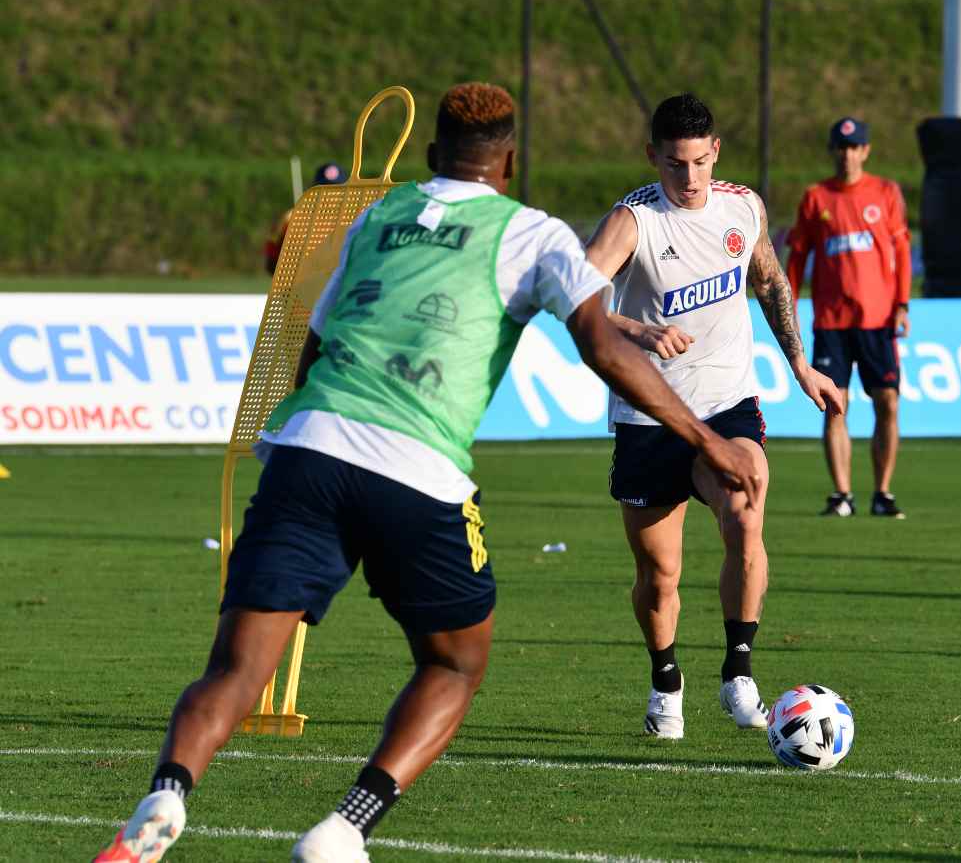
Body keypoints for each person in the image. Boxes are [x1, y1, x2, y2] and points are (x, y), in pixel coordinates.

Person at [93, 84, 762, 863]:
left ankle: (167, 793)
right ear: (508, 163)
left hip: (306, 450)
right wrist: (706, 441)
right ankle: (346, 827)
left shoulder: (378, 217)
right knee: (453, 662)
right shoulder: (530, 233)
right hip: (415, 467)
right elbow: (604, 349)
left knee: (237, 668)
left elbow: (316, 347)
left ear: (431, 154)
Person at [584, 93, 845, 740]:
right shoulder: (633, 221)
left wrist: (801, 365)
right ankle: (666, 681)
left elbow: (770, 281)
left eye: (700, 162)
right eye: (676, 164)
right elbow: (575, 297)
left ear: (716, 151)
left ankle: (739, 671)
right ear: (653, 157)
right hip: (650, 416)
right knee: (660, 576)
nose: (690, 177)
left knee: (745, 514)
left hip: (728, 405)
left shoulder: (742, 207)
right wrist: (639, 331)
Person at [785, 116, 912, 519]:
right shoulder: (816, 197)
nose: (847, 155)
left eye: (854, 147)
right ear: (833, 151)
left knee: (888, 402)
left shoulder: (885, 193)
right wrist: (788, 306)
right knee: (835, 406)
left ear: (865, 151)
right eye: (841, 148)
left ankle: (882, 493)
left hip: (877, 320)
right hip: (832, 322)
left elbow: (902, 251)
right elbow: (797, 257)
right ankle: (842, 495)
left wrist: (903, 304)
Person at [265, 162, 346, 274]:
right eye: (325, 188)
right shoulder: (291, 219)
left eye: (336, 190)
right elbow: (271, 261)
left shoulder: (356, 220)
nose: (331, 195)